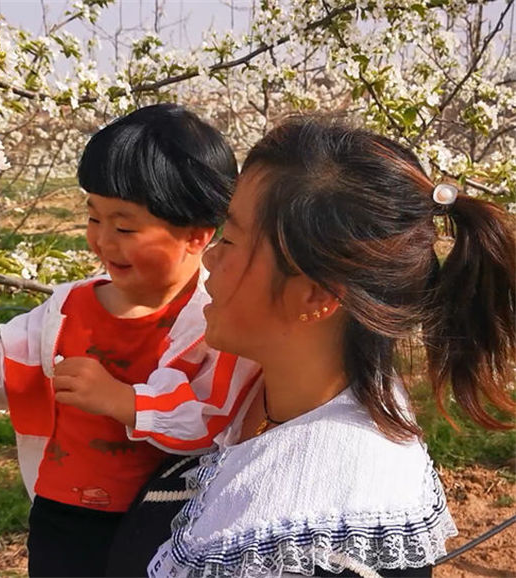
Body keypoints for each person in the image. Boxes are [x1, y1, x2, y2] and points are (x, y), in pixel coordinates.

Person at [125, 116, 515, 578]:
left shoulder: (335, 529)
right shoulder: (237, 387)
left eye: (229, 239)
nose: (210, 256)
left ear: (316, 294)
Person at [0, 104, 261, 577]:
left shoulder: (212, 320)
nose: (101, 240)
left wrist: (124, 401)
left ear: (197, 235)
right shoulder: (68, 308)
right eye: (93, 218)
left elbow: (212, 414)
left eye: (124, 227)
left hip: (162, 518)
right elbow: (0, 370)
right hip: (65, 516)